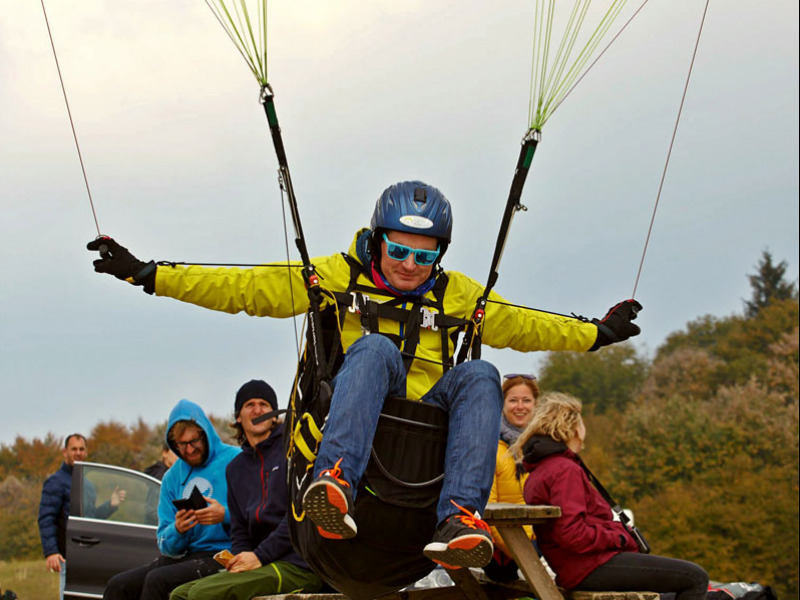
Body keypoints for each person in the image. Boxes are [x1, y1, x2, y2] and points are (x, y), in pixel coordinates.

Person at [87, 181, 642, 595]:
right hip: (359, 425)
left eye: (425, 257)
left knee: (480, 373)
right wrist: (149, 274)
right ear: (377, 241)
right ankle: (334, 483)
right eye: (399, 251)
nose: (409, 265)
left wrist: (597, 334)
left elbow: (527, 323)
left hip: (425, 428)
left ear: (440, 256)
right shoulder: (332, 276)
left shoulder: (457, 295)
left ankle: (458, 517)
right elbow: (244, 286)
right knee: (375, 347)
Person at [510, 392, 709, 600]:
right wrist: (620, 537)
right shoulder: (565, 470)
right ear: (573, 428)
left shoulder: (543, 468)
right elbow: (572, 534)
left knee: (669, 586)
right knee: (695, 577)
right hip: (588, 567)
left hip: (577, 565)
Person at [170, 380, 322, 600]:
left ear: (274, 416)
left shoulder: (293, 452)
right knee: (180, 594)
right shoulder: (235, 468)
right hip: (260, 563)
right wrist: (240, 558)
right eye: (250, 404)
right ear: (238, 417)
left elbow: (298, 518)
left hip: (297, 564)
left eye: (264, 404)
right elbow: (239, 529)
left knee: (201, 594)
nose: (257, 410)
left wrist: (259, 556)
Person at [103, 399, 240, 600]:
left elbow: (255, 513)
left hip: (226, 555)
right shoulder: (171, 477)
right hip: (189, 556)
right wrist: (178, 529)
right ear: (172, 445)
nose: (190, 450)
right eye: (182, 445)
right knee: (119, 585)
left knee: (157, 580)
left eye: (195, 441)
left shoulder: (235, 460)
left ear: (206, 435)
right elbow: (166, 544)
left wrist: (224, 515)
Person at [38, 434, 126, 600]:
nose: (78, 453)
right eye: (74, 449)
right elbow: (46, 518)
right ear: (65, 452)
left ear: (86, 452)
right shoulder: (55, 482)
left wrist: (111, 505)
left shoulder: (88, 486)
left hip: (85, 555)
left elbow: (90, 518)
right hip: (68, 557)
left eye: (81, 449)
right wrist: (51, 552)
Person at [484, 373, 540, 583]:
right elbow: (488, 508)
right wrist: (523, 551)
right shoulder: (490, 446)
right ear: (502, 403)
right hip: (503, 554)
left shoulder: (544, 445)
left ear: (535, 404)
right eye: (513, 400)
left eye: (526, 400)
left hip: (540, 545)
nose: (520, 406)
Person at [144, 444, 178, 525]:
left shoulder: (172, 475)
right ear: (165, 453)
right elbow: (152, 512)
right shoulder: (161, 476)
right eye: (176, 451)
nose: (179, 456)